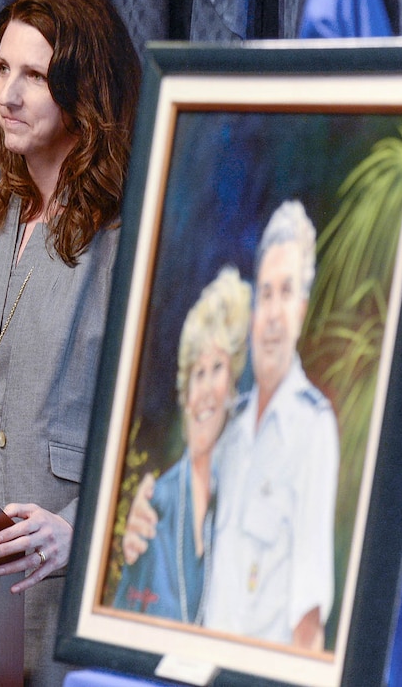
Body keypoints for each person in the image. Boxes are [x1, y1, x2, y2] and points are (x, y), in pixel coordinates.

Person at [0, 0, 141, 685]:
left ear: (86, 90)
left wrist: (78, 530)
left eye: (35, 76)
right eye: (0, 69)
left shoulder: (130, 231)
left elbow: (155, 434)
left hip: (65, 579)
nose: (7, 94)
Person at [125, 200, 339, 648]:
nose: (275, 311)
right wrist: (141, 513)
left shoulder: (313, 429)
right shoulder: (233, 433)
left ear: (302, 307)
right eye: (266, 292)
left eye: (287, 291)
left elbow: (308, 619)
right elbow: (186, 488)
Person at [113, 267, 252, 623]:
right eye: (197, 373)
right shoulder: (154, 504)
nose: (205, 389)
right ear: (185, 391)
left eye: (217, 368)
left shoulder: (247, 498)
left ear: (233, 384)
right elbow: (120, 623)